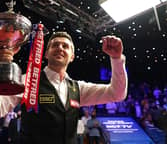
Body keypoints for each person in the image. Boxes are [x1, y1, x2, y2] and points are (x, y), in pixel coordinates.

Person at [0, 31, 128, 144]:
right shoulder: (28, 80)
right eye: (55, 45)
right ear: (46, 54)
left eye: (65, 46)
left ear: (72, 56)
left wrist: (116, 59)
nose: (60, 48)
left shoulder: (78, 88)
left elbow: (116, 94)